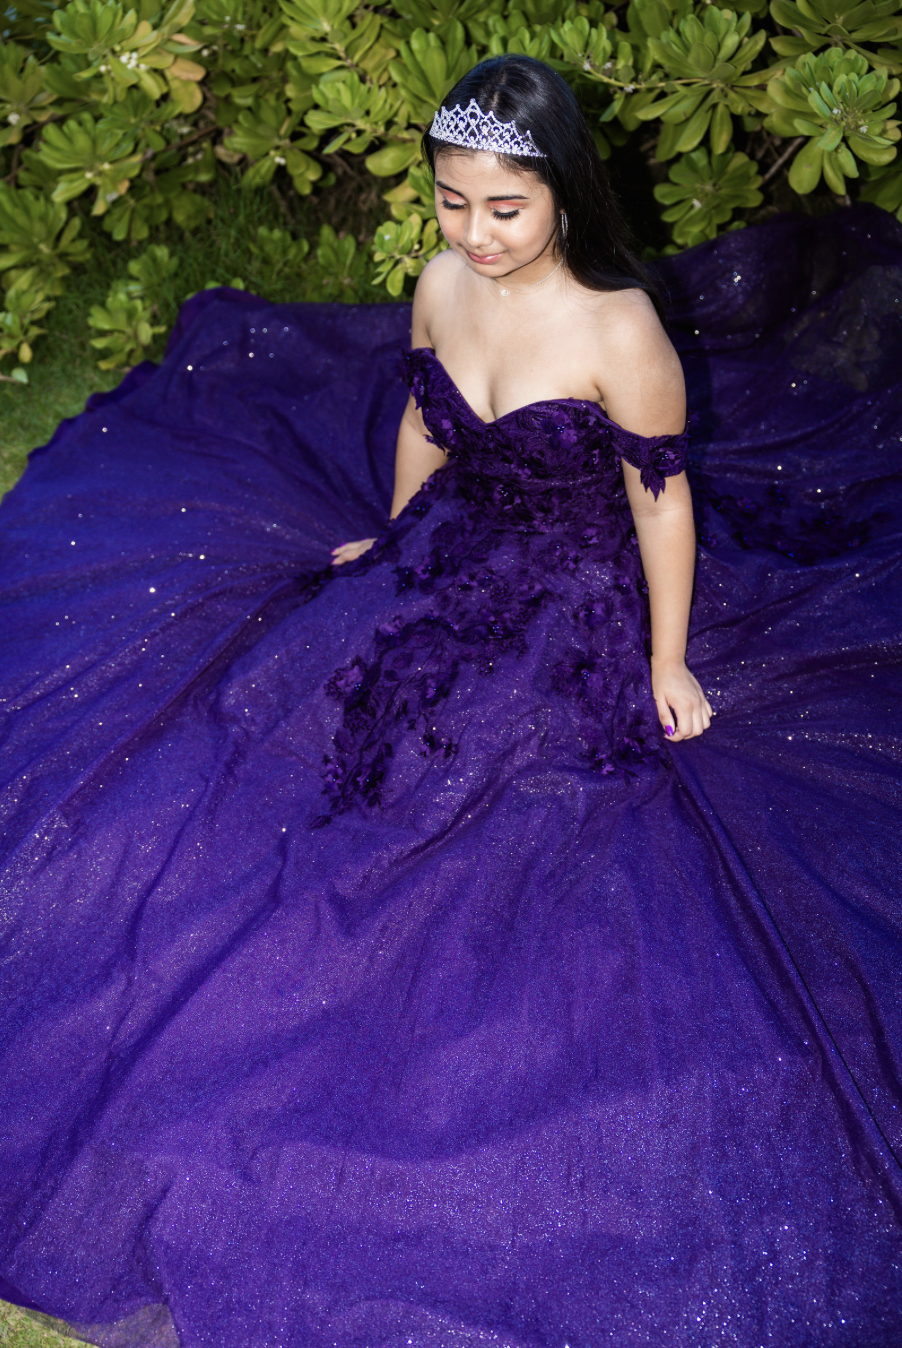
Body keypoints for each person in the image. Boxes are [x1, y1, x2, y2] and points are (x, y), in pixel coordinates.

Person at [1, 53, 901, 1348]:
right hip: (445, 553)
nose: (475, 234)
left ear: (563, 195)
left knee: (493, 794)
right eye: (451, 202)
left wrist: (664, 660)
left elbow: (660, 503)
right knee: (288, 723)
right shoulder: (437, 284)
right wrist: (394, 536)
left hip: (569, 593)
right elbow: (425, 424)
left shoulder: (618, 331)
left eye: (505, 208)